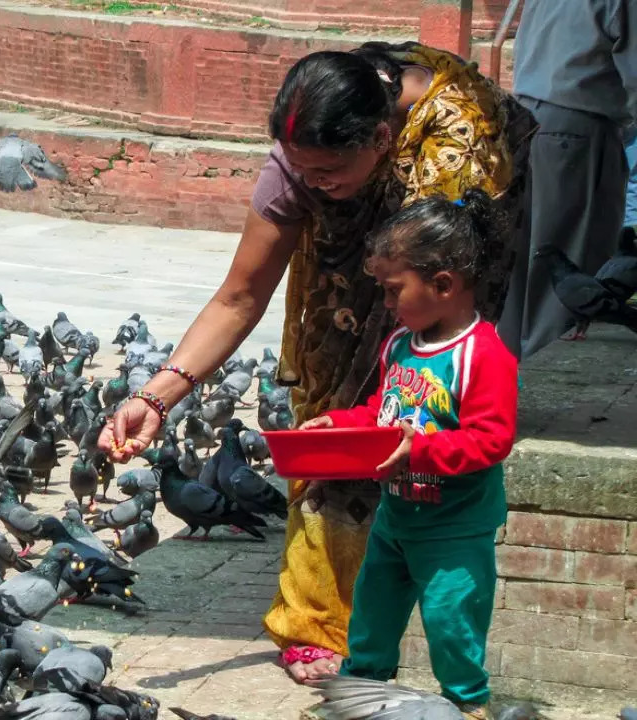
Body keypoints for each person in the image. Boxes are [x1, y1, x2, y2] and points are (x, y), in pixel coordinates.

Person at [97, 43, 534, 685]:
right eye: (302, 171)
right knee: (337, 420)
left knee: (427, 397)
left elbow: (454, 288)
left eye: (328, 174)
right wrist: (158, 397)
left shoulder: (458, 151)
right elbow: (241, 294)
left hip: (446, 249)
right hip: (359, 290)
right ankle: (325, 620)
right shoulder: (299, 161)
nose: (312, 185)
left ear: (383, 138)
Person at [301, 190, 517, 720]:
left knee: (452, 624)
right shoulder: (400, 344)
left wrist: (420, 450)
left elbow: (492, 439)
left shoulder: (484, 354)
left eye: (394, 291)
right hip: (395, 517)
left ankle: (468, 708)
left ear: (443, 285)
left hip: (454, 527)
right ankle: (360, 699)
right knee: (372, 617)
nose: (388, 305)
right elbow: (383, 411)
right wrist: (340, 423)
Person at [500, 0, 637, 359]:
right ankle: (541, 374)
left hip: (526, 120)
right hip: (578, 128)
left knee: (525, 263)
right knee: (565, 267)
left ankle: (509, 379)